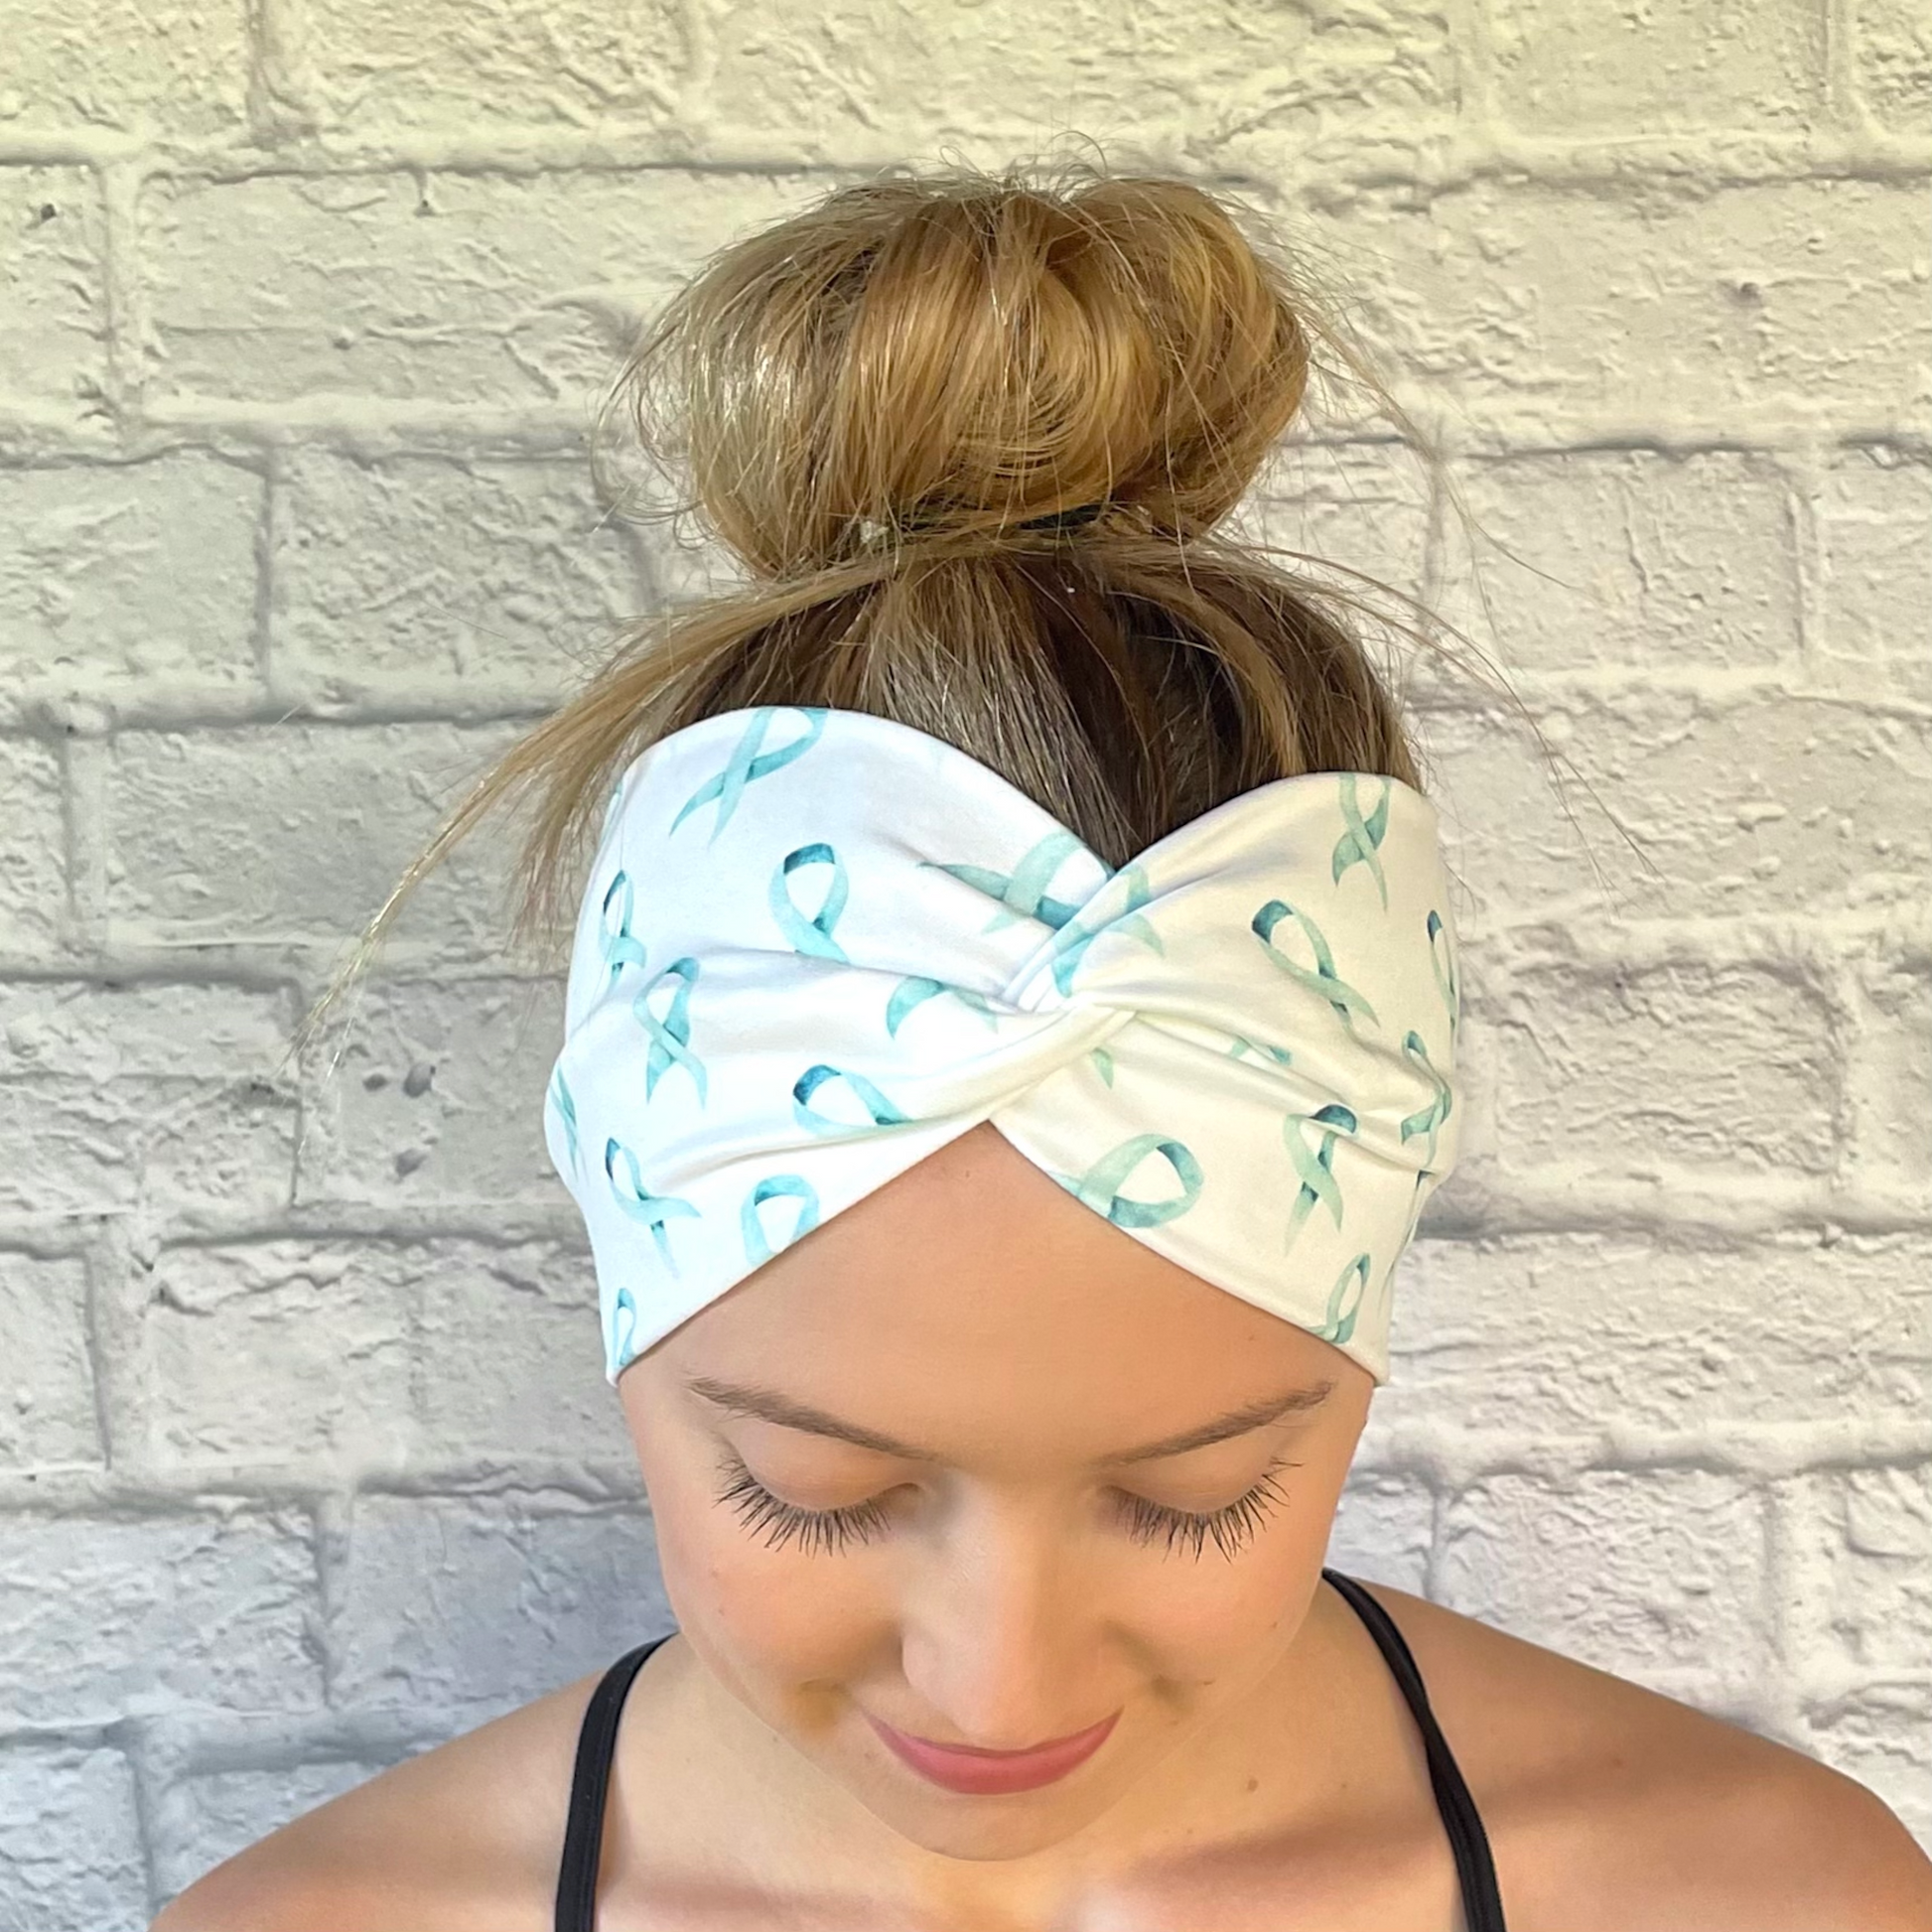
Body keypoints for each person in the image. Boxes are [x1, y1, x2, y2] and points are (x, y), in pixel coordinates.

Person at [154, 161, 1932, 1932]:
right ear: (619, 1278)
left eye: (1194, 1495)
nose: (997, 1690)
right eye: (814, 1491)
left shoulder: (1755, 1897)